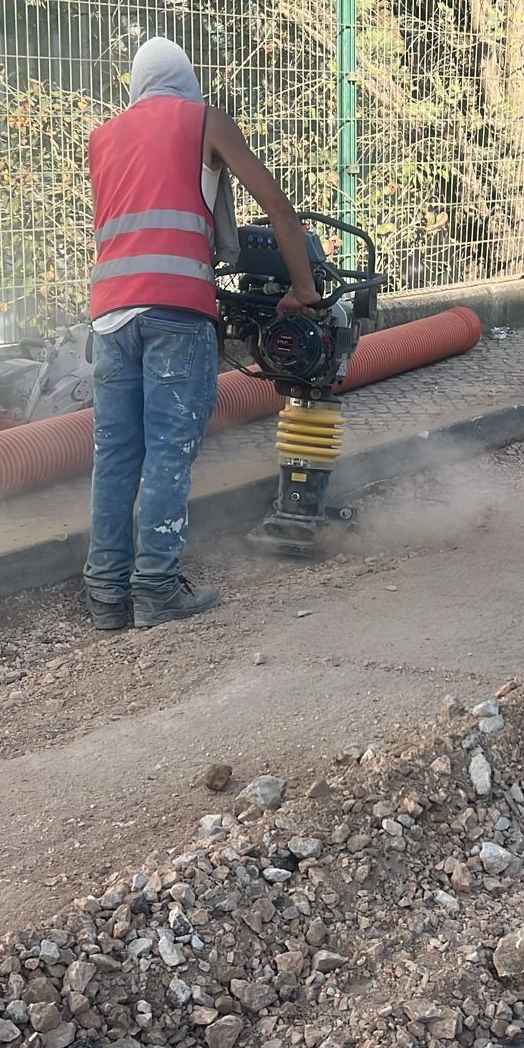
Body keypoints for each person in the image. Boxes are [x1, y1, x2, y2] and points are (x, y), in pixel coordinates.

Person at [82, 37, 320, 630]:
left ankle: (106, 595)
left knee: (115, 455)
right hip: (176, 311)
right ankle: (157, 589)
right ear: (186, 81)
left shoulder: (102, 137)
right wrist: (302, 288)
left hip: (109, 316)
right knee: (169, 449)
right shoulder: (205, 120)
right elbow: (278, 207)